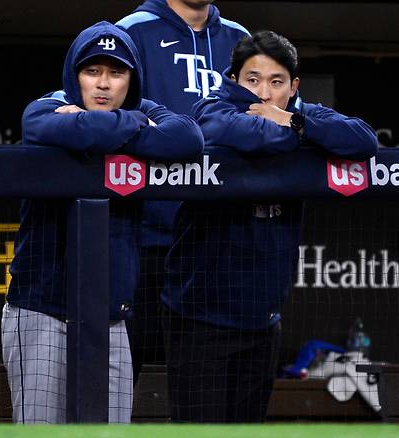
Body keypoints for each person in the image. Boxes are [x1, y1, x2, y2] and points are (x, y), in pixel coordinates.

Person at [161, 30, 378, 423]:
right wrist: (297, 130)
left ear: (294, 86)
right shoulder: (212, 109)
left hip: (262, 323)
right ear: (233, 81)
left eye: (276, 82)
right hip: (199, 320)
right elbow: (254, 134)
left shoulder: (303, 113)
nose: (263, 93)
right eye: (253, 80)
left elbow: (363, 140)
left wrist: (295, 120)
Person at [1, 21, 204, 424]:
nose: (104, 84)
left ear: (132, 79)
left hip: (112, 318)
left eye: (116, 72)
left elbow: (188, 138)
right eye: (92, 71)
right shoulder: (47, 106)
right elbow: (41, 125)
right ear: (75, 75)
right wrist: (132, 128)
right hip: (42, 311)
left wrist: (107, 127)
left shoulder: (146, 110)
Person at [117, 0, 250, 385]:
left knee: (205, 390)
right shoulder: (133, 31)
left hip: (216, 246)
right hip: (145, 242)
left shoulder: (238, 38)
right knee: (118, 382)